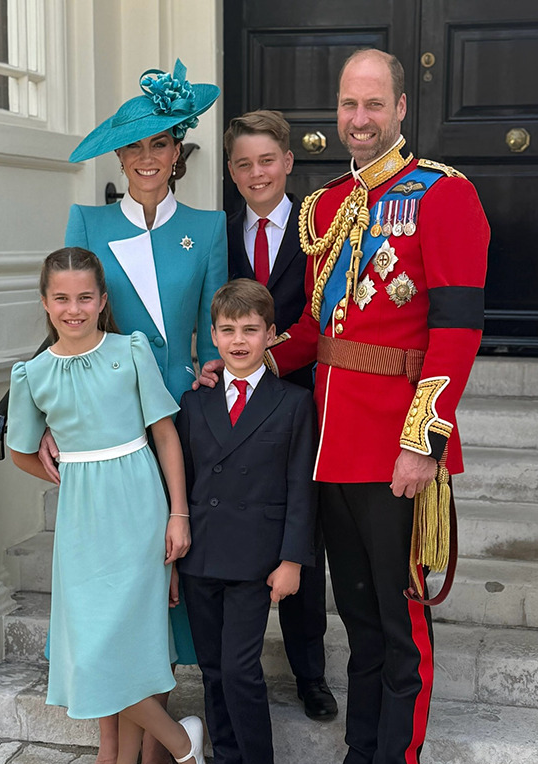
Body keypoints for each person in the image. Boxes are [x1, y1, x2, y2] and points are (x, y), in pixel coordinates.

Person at [200, 48, 489, 764]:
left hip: (396, 449)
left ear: (401, 108)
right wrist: (240, 362)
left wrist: (422, 442)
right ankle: (362, 760)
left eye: (373, 104)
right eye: (347, 105)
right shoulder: (324, 207)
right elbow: (315, 335)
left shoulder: (444, 195)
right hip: (327, 447)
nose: (358, 119)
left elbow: (457, 331)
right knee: (356, 622)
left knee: (399, 625)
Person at [38, 59, 227, 764]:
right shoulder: (89, 221)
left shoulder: (207, 229)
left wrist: (211, 370)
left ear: (180, 151)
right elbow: (65, 312)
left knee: (161, 566)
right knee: (106, 578)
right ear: (120, 159)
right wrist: (50, 413)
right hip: (106, 418)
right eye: (135, 149)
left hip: (175, 416)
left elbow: (212, 333)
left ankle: (157, 725)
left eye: (161, 146)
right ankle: (117, 744)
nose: (148, 160)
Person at [7, 247, 210, 764]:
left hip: (140, 505)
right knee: (94, 654)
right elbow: (21, 449)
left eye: (86, 297)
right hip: (82, 518)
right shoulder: (33, 374)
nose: (75, 309)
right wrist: (60, 465)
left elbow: (165, 436)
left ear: (103, 301)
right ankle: (180, 740)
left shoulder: (130, 352)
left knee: (130, 647)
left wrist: (179, 513)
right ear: (46, 304)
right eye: (62, 299)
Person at [176, 279, 318, 764]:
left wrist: (292, 559)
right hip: (201, 555)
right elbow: (181, 479)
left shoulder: (293, 403)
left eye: (250, 330)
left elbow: (301, 488)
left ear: (271, 335)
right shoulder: (196, 400)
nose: (238, 341)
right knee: (212, 672)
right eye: (228, 331)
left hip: (257, 560)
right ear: (213, 336)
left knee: (240, 671)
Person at [224, 110, 337, 722]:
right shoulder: (217, 232)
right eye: (243, 163)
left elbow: (323, 320)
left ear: (288, 163)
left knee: (302, 536)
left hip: (302, 401)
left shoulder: (319, 227)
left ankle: (311, 674)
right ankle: (226, 662)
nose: (256, 172)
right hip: (236, 407)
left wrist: (267, 357)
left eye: (267, 160)